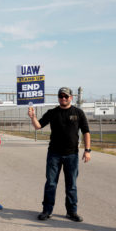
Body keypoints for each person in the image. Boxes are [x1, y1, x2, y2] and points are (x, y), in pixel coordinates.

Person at [28, 87, 91, 222]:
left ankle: (72, 211)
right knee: (51, 183)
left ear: (71, 98)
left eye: (66, 96)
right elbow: (38, 126)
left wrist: (87, 150)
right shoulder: (52, 112)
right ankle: (47, 210)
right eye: (61, 96)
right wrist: (32, 117)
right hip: (54, 154)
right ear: (58, 98)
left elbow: (86, 131)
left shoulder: (78, 113)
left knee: (71, 184)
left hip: (72, 155)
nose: (63, 98)